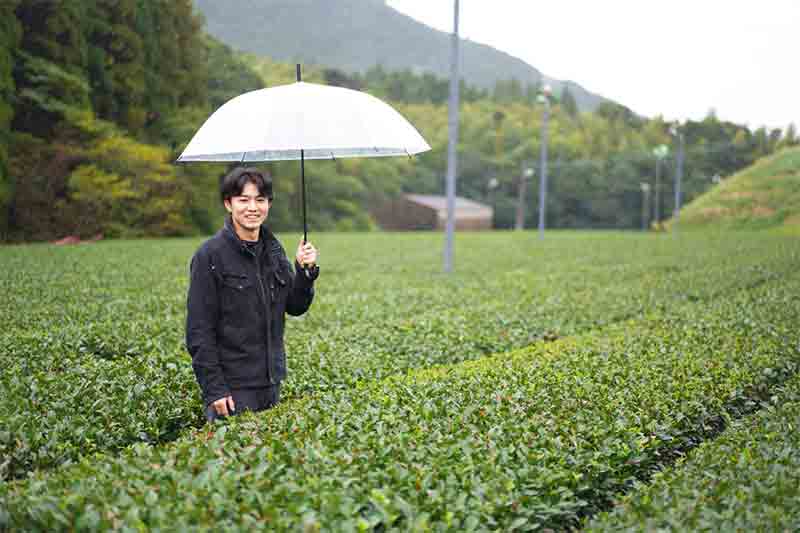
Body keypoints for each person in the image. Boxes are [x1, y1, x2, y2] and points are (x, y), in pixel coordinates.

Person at [186, 167, 319, 422]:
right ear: (229, 204)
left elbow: (295, 305)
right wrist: (214, 389)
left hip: (271, 383)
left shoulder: (273, 250)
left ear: (268, 204)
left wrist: (304, 271)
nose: (252, 207)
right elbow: (198, 330)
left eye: (260, 200)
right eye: (243, 200)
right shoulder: (210, 256)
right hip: (232, 390)